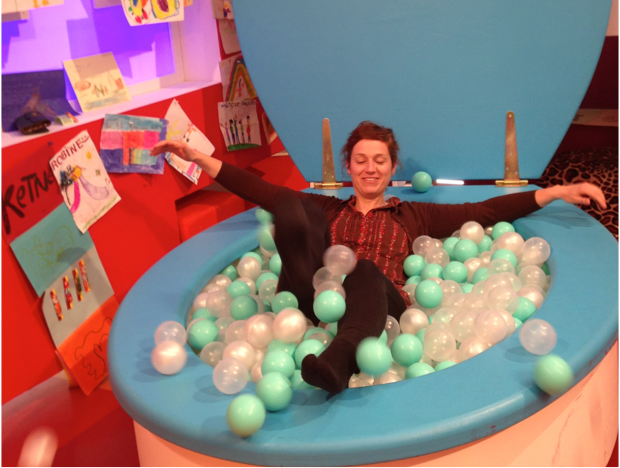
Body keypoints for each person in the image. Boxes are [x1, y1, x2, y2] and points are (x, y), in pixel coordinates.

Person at [151, 121, 607, 393]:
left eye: (380, 160)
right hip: (312, 299)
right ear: (348, 166)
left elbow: (484, 211)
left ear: (392, 168)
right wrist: (198, 158)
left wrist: (554, 192)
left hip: (377, 303)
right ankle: (331, 342)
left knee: (364, 268)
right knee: (290, 207)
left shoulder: (414, 215)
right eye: (361, 160)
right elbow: (263, 190)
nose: (370, 168)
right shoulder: (330, 207)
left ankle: (337, 361)